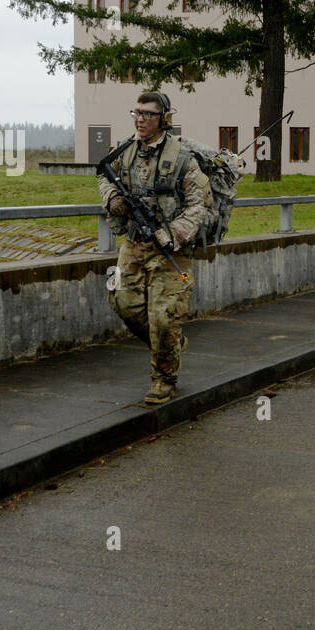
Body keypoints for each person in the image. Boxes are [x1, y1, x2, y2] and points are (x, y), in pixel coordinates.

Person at [98, 91, 216, 405]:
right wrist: (112, 199)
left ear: (162, 118)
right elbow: (103, 175)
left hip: (170, 250)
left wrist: (173, 233)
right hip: (134, 243)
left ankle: (164, 380)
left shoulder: (181, 158)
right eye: (137, 112)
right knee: (123, 302)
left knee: (164, 318)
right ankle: (171, 344)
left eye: (148, 114)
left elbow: (197, 206)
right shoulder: (124, 151)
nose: (140, 119)